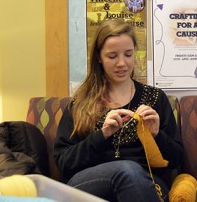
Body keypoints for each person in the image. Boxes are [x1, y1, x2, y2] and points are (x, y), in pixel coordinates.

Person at [54, 19, 183, 202]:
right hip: (88, 185)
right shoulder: (81, 102)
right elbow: (64, 163)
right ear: (99, 57)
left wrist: (156, 134)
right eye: (112, 56)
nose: (122, 63)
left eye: (128, 54)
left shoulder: (155, 98)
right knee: (127, 170)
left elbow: (176, 159)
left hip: (144, 183)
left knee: (133, 174)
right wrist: (102, 135)